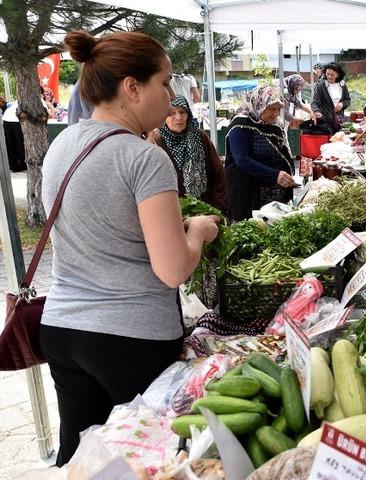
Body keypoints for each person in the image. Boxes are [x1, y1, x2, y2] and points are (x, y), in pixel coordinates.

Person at [40, 30, 220, 466]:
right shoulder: (144, 158)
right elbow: (173, 269)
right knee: (151, 461)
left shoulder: (62, 144)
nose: (171, 96)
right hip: (130, 337)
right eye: (165, 82)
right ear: (132, 87)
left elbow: (104, 229)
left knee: (84, 461)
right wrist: (198, 231)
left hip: (62, 330)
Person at [225, 84, 296, 221]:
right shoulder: (240, 124)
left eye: (278, 109)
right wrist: (275, 175)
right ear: (260, 104)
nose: (275, 114)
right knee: (250, 228)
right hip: (247, 193)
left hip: (271, 194)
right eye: (271, 109)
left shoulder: (274, 124)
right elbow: (242, 159)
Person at [148, 95, 228, 213]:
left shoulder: (199, 137)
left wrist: (218, 210)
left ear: (188, 114)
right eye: (172, 113)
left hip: (204, 211)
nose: (178, 118)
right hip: (170, 212)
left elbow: (218, 175)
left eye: (182, 112)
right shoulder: (155, 141)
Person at [310, 62, 350, 135]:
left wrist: (342, 104)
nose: (329, 77)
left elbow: (347, 100)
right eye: (327, 74)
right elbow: (314, 102)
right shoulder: (321, 86)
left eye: (332, 75)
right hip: (326, 122)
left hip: (340, 120)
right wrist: (317, 112)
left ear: (338, 75)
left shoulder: (342, 85)